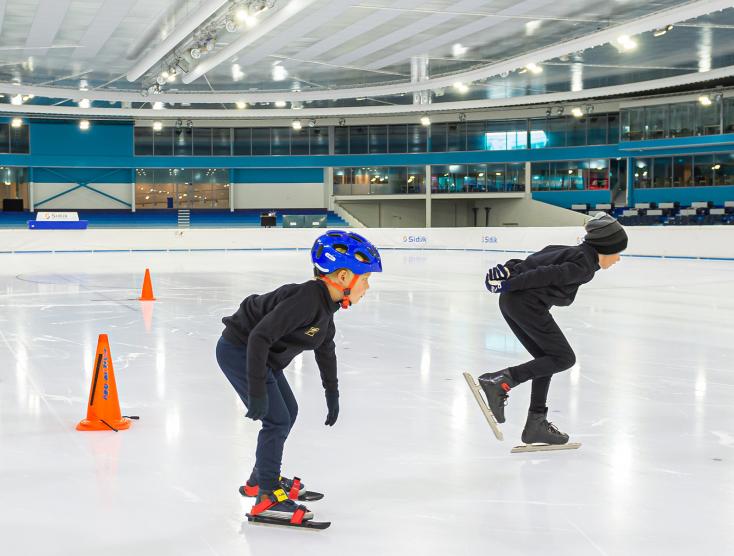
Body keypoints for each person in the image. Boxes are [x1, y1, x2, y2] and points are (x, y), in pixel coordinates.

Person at [215, 230, 382, 527]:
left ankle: (260, 477)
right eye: (366, 278)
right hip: (240, 349)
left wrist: (333, 395)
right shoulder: (307, 299)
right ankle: (266, 497)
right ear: (343, 276)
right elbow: (259, 336)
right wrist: (256, 392)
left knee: (288, 413)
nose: (367, 287)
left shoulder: (325, 308)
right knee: (277, 419)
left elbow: (325, 350)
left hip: (261, 356)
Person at [480, 213, 628, 446]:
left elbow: (534, 261)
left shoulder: (568, 251)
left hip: (512, 303)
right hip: (524, 304)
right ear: (607, 247)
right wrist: (509, 283)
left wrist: (509, 271)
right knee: (563, 358)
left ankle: (536, 423)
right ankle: (501, 381)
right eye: (617, 252)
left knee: (546, 359)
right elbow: (543, 274)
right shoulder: (584, 266)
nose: (618, 259)